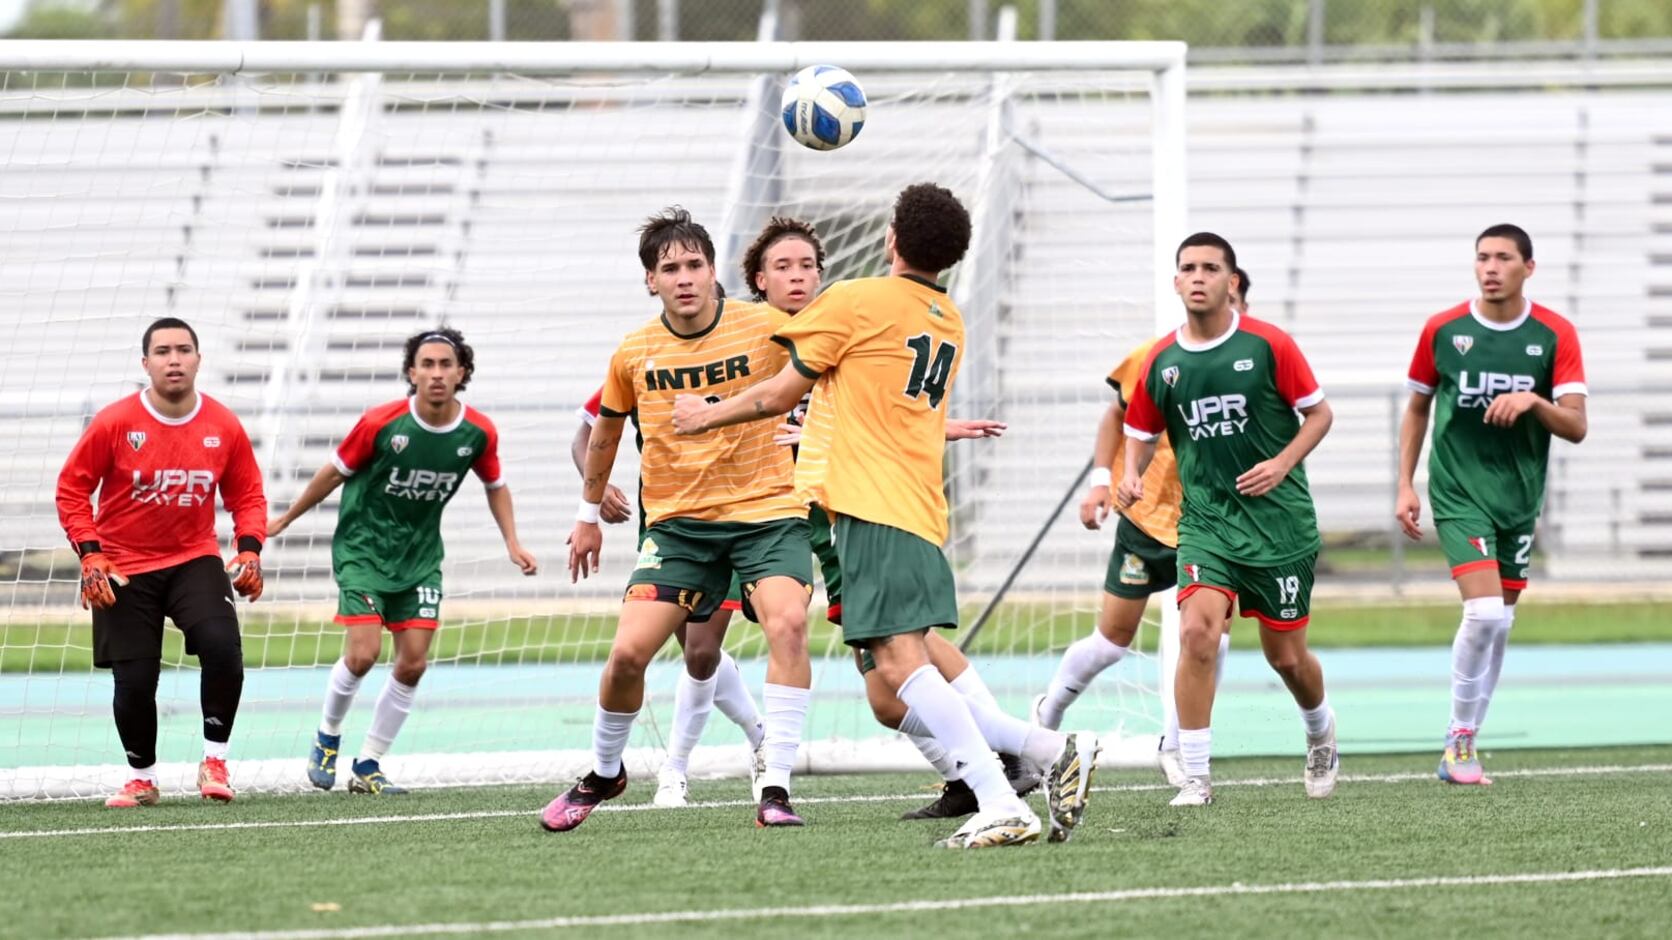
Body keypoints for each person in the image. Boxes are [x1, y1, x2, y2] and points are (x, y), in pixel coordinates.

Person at [673, 183, 1098, 849]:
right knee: (899, 659)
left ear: (891, 239)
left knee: (898, 664)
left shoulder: (854, 301)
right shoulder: (946, 316)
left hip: (872, 506)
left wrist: (705, 414)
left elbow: (781, 391)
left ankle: (1009, 789)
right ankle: (1040, 756)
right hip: (915, 504)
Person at [542, 208, 815, 833]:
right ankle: (606, 771)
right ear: (650, 280)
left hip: (768, 514)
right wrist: (587, 514)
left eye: (695, 265)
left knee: (789, 623)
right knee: (628, 656)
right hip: (679, 526)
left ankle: (775, 784)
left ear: (715, 271)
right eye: (671, 268)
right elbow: (604, 432)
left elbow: (840, 380)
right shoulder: (634, 352)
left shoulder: (769, 328)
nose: (685, 277)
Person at [1118, 233, 1338, 807]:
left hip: (1279, 523)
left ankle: (1319, 729)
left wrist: (1282, 462)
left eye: (1210, 268)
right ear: (1175, 282)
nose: (1197, 277)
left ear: (1231, 282)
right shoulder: (1163, 362)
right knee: (1197, 635)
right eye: (1187, 268)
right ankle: (1195, 775)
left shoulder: (1269, 346)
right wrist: (1130, 474)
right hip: (1207, 522)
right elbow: (1138, 431)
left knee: (1286, 658)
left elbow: (1319, 413)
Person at [268, 328, 537, 794]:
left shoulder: (478, 432)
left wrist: (513, 543)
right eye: (427, 365)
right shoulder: (381, 423)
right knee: (363, 655)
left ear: (462, 372)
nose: (436, 373)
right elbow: (333, 473)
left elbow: (496, 486)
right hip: (363, 551)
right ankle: (327, 737)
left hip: (420, 559)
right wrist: (287, 518)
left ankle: (368, 764)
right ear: (411, 372)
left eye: (445, 365)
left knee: (413, 664)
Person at [1395, 224, 1587, 786]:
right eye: (1483, 257)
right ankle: (1458, 738)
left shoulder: (1554, 334)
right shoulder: (1444, 329)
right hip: (1458, 491)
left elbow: (1575, 424)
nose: (1491, 267)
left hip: (1519, 497)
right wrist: (1406, 484)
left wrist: (1534, 401)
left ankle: (1467, 744)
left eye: (1504, 258)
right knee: (1481, 613)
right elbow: (1417, 408)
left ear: (1529, 267)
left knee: (1500, 622)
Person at [56, 317, 267, 807]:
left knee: (222, 644)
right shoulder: (114, 423)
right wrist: (91, 554)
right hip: (123, 566)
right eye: (163, 351)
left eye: (184, 350)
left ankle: (215, 759)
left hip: (194, 557)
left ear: (198, 359)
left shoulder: (223, 425)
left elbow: (248, 494)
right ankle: (142, 777)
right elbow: (71, 490)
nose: (175, 359)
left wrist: (250, 547)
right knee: (134, 679)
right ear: (145, 362)